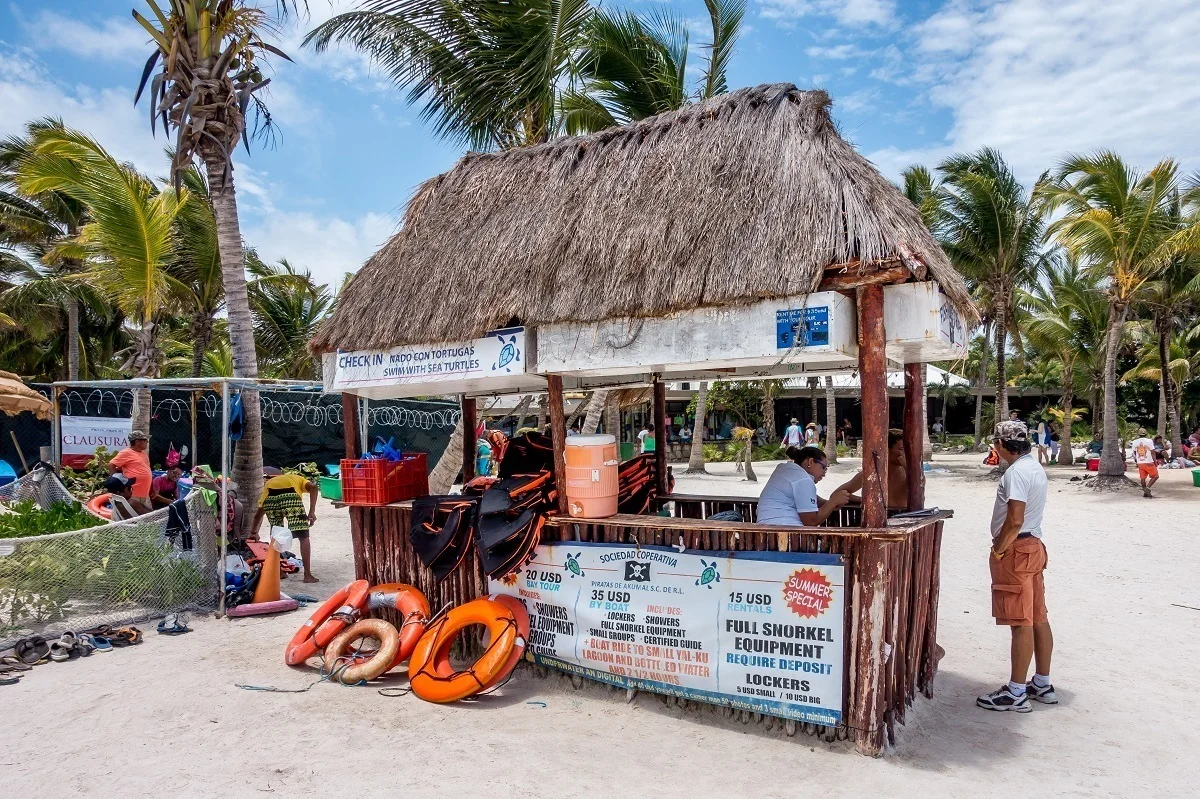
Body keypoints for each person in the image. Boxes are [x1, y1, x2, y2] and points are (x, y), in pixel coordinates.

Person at [977, 420, 1056, 713]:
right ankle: (1042, 682)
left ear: (999, 445)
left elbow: (1015, 519)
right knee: (1037, 616)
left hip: (1016, 547)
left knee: (1020, 621)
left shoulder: (1016, 473)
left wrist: (999, 550)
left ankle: (1016, 691)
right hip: (1033, 545)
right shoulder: (1033, 467)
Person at [252, 467, 320, 583]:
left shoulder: (268, 484)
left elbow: (258, 514)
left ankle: (279, 572)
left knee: (276, 536)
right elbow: (313, 487)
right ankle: (307, 575)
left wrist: (254, 532)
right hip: (290, 497)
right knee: (303, 536)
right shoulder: (298, 479)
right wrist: (311, 511)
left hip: (270, 499)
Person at [757, 446, 850, 526]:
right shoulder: (803, 479)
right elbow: (811, 522)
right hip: (785, 533)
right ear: (810, 462)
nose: (824, 473)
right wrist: (832, 502)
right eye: (823, 468)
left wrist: (830, 502)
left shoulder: (785, 470)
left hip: (769, 533)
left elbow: (808, 498)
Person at [836, 429, 909, 509]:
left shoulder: (908, 473)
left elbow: (918, 490)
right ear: (886, 450)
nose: (906, 453)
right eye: (902, 449)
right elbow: (837, 494)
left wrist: (908, 468)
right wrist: (865, 500)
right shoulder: (871, 474)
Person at [107, 430, 153, 513]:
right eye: (145, 440)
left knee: (147, 517)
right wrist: (117, 482)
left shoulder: (143, 453)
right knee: (132, 516)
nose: (147, 442)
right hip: (132, 493)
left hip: (144, 493)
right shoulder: (126, 452)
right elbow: (111, 465)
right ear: (137, 442)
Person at [1130, 428, 1158, 498]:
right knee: (1155, 476)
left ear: (1138, 434)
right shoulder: (1149, 441)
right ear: (1146, 434)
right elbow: (1152, 452)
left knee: (1143, 478)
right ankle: (1147, 488)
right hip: (1149, 461)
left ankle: (1145, 493)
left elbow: (1134, 452)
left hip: (1140, 463)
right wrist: (1155, 461)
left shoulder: (1134, 442)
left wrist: (1137, 461)